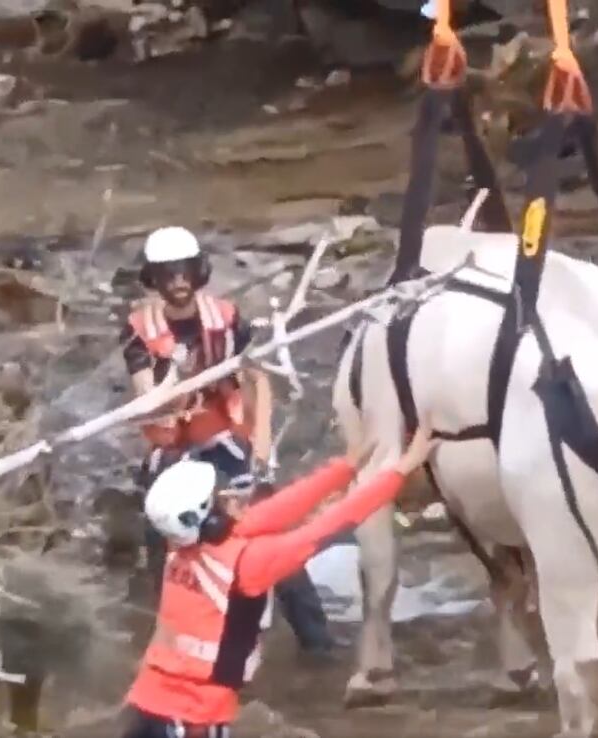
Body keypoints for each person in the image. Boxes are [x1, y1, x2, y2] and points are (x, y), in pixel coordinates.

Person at [121, 422, 437, 738]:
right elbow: (336, 520)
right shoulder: (249, 563)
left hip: (146, 704)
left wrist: (344, 468)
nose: (232, 496)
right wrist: (401, 472)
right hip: (192, 719)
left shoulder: (180, 546)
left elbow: (279, 509)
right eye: (222, 496)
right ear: (212, 518)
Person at [119, 225, 335, 655]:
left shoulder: (226, 317)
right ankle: (172, 646)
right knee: (165, 549)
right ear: (154, 280)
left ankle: (318, 645)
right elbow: (148, 401)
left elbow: (257, 378)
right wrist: (178, 375)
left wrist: (262, 442)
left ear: (198, 273)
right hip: (173, 450)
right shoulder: (139, 331)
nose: (178, 283)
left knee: (276, 540)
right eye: (168, 274)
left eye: (185, 272)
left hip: (226, 440)